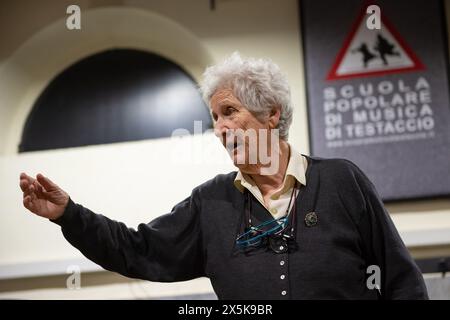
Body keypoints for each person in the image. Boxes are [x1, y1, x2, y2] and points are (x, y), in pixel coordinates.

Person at [19, 52, 428, 299]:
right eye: (214, 118)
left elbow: (402, 281)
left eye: (230, 112)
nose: (219, 128)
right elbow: (136, 249)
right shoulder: (210, 203)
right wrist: (68, 214)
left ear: (272, 114)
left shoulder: (342, 181)